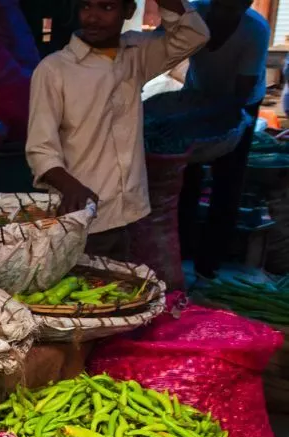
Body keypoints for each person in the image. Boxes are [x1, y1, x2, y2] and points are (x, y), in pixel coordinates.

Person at [26, 0, 209, 259]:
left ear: (129, 11)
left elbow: (194, 35)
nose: (93, 17)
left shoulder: (136, 54)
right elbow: (40, 149)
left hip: (130, 212)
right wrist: (71, 187)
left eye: (107, 8)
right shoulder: (54, 69)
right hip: (81, 216)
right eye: (86, 7)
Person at [177, 0, 269, 279]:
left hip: (240, 103)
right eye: (220, 7)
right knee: (186, 176)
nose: (223, 15)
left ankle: (210, 262)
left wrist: (214, 123)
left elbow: (240, 95)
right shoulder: (195, 14)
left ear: (247, 5)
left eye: (233, 9)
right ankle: (180, 250)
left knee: (228, 178)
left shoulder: (256, 30)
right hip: (197, 94)